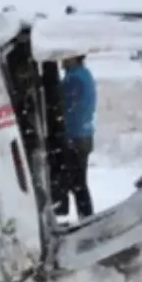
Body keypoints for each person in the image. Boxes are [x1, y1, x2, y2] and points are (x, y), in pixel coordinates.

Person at [57, 54, 97, 220]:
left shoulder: (73, 80)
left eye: (65, 56)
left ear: (74, 58)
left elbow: (64, 105)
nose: (61, 60)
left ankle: (86, 217)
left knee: (76, 183)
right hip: (84, 135)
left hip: (75, 135)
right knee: (79, 181)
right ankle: (85, 216)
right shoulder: (84, 74)